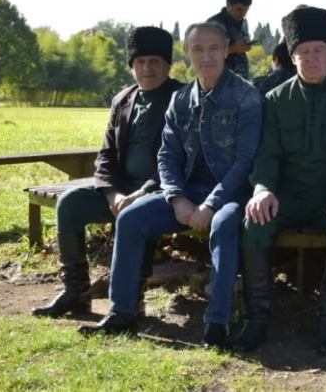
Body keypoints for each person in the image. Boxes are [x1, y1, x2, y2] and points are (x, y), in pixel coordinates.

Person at [79, 22, 262, 348]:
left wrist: (211, 205)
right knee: (130, 218)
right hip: (186, 192)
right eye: (198, 49)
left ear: (225, 51)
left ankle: (217, 322)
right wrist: (177, 198)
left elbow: (246, 160)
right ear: (188, 54)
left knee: (223, 226)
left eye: (213, 49)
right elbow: (167, 156)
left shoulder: (246, 96)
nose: (206, 56)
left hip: (232, 192)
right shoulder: (180, 99)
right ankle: (122, 312)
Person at [234, 5, 326, 355]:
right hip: (287, 196)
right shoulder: (275, 101)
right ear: (292, 57)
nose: (311, 58)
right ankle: (257, 318)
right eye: (303, 52)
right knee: (254, 223)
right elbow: (266, 154)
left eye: (318, 51)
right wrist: (263, 188)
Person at [30, 26, 183, 318]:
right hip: (120, 190)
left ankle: (132, 299)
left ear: (167, 65)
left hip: (163, 191)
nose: (147, 68)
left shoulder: (181, 98)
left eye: (154, 61)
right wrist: (113, 193)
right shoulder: (123, 99)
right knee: (70, 204)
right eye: (140, 62)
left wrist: (142, 192)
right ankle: (76, 292)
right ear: (131, 67)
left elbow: (180, 158)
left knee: (138, 213)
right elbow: (106, 156)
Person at [207, 0, 254, 79]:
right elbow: (207, 53)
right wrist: (233, 49)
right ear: (229, 5)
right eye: (239, 9)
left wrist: (245, 47)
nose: (243, 13)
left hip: (240, 82)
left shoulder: (242, 24)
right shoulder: (214, 24)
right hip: (219, 83)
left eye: (246, 10)